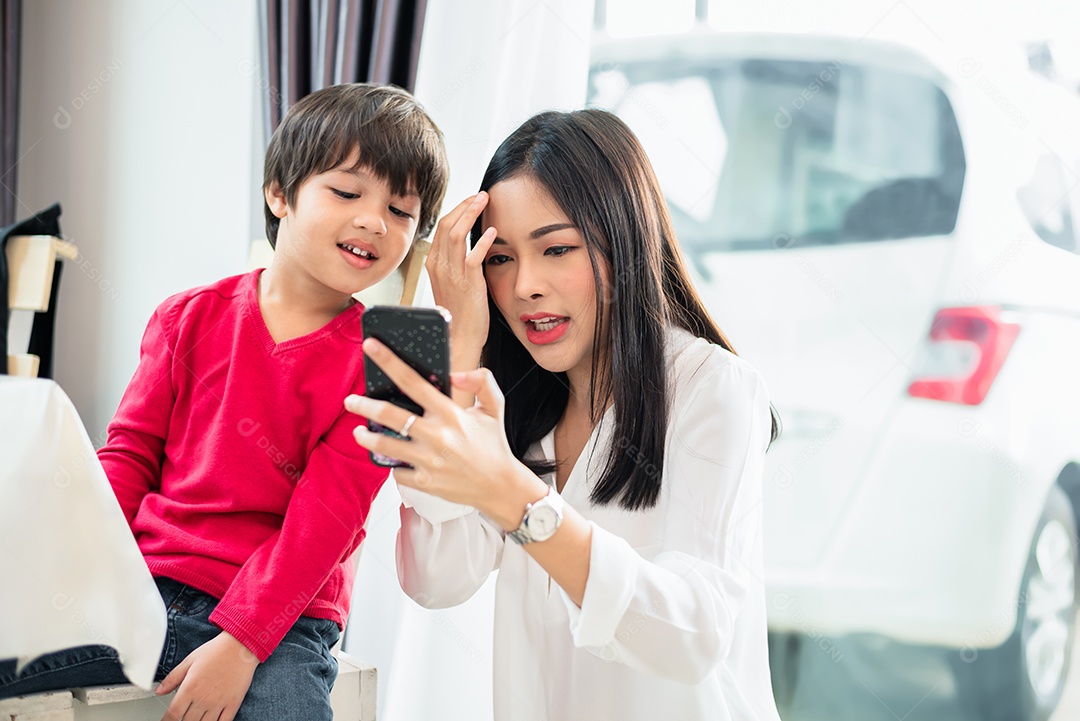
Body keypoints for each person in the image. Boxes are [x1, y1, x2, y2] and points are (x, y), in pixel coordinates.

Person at [0, 83, 449, 721]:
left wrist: (241, 642)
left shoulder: (393, 358)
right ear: (279, 193)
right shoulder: (186, 317)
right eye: (347, 193)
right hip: (145, 589)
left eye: (402, 212)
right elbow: (128, 456)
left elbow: (326, 521)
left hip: (284, 625)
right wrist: (76, 574)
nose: (375, 221)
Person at [346, 109, 783, 721]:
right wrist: (462, 349)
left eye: (557, 249)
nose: (526, 285)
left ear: (624, 240)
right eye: (500, 259)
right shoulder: (521, 400)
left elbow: (691, 635)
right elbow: (435, 579)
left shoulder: (712, 388)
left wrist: (518, 500)